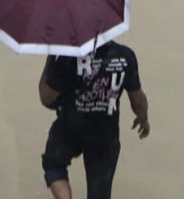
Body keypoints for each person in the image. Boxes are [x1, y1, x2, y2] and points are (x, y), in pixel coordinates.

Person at [38, 42, 149, 199]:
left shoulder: (68, 56)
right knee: (100, 194)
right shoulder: (125, 56)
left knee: (54, 165)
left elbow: (46, 97)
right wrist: (143, 119)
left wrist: (50, 58)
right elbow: (138, 99)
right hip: (105, 133)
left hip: (70, 126)